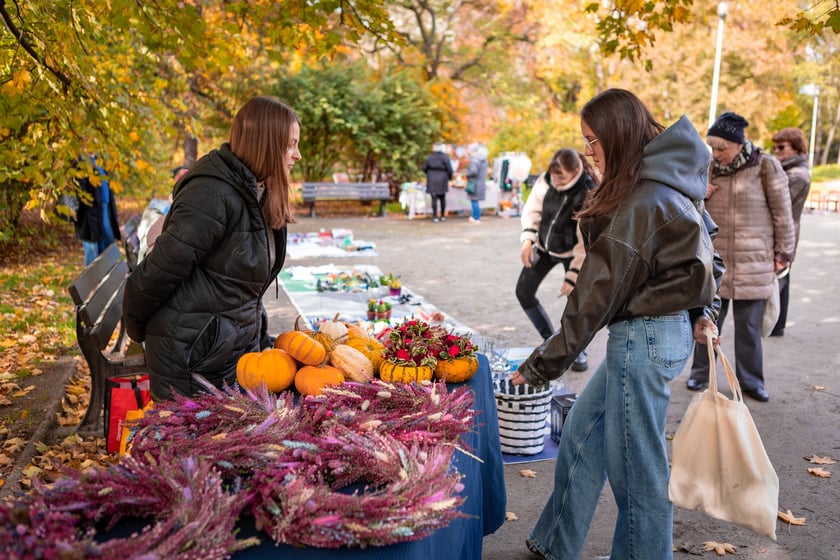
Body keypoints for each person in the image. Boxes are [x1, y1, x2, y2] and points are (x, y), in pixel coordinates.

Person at [510, 88, 723, 560]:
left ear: (617, 136)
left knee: (638, 471)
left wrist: (542, 365)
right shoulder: (668, 175)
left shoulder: (645, 196)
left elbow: (595, 295)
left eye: (592, 141)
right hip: (652, 335)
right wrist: (702, 312)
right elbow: (708, 255)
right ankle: (553, 543)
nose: (589, 152)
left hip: (643, 338)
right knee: (583, 435)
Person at [123, 96, 301, 400]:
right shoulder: (212, 195)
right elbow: (155, 275)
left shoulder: (260, 190)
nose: (297, 155)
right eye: (290, 144)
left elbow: (239, 288)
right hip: (192, 360)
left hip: (231, 353)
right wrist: (140, 335)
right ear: (265, 144)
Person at [686, 112, 795, 402]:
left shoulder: (766, 166)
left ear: (738, 144)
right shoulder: (707, 167)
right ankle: (700, 375)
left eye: (722, 148)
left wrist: (784, 253)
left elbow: (783, 214)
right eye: (713, 148)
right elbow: (686, 204)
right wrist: (700, 192)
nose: (717, 154)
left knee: (749, 329)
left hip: (754, 260)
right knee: (707, 323)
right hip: (716, 261)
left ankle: (751, 381)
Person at [516, 148, 597, 371]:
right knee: (523, 291)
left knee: (577, 302)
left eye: (561, 177)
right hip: (545, 246)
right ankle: (549, 342)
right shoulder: (546, 180)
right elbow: (532, 210)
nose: (556, 182)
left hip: (573, 252)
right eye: (554, 176)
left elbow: (586, 241)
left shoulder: (587, 192)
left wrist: (572, 277)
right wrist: (528, 241)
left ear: (574, 172)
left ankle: (576, 350)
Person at [769, 127, 811, 336]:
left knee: (780, 279)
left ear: (796, 148)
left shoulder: (797, 175)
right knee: (782, 278)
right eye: (775, 146)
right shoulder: (786, 171)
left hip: (785, 233)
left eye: (781, 146)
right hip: (784, 231)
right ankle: (778, 325)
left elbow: (779, 206)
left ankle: (775, 323)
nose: (777, 151)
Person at [73, 154, 121, 266]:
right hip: (89, 213)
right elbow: (79, 192)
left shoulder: (100, 161)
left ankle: (108, 273)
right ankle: (91, 279)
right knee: (92, 247)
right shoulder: (80, 163)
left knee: (107, 242)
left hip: (104, 209)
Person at [422, 144, 453, 223]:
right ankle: (442, 215)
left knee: (434, 198)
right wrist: (449, 178)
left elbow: (424, 168)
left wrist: (429, 173)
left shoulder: (430, 157)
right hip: (442, 178)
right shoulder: (445, 157)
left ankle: (435, 216)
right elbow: (450, 169)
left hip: (432, 179)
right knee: (442, 197)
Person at [466, 143, 489, 223]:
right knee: (475, 201)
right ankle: (476, 217)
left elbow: (473, 172)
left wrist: (467, 173)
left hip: (474, 183)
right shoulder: (483, 159)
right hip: (480, 182)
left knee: (474, 200)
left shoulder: (474, 159)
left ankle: (476, 217)